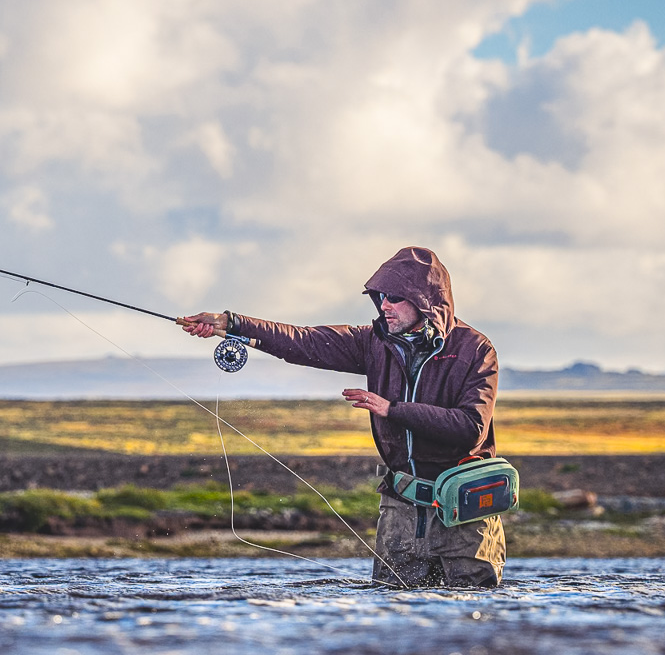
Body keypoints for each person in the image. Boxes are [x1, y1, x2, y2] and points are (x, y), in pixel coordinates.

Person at [177, 246, 505, 587]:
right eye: (379, 298)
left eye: (394, 298)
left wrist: (393, 410)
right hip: (401, 512)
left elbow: (471, 429)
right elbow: (304, 341)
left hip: (463, 514)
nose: (384, 307)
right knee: (394, 620)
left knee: (472, 618)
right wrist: (232, 325)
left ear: (424, 301)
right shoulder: (374, 342)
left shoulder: (476, 350)